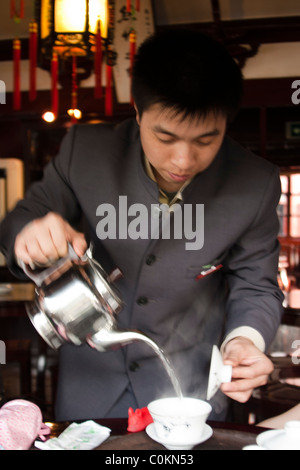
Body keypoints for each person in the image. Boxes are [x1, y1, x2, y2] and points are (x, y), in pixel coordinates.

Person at [0, 29, 284, 422]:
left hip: (190, 397)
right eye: (165, 136)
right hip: (90, 392)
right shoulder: (86, 152)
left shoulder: (256, 184)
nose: (183, 160)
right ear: (137, 110)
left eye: (206, 140)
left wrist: (244, 341)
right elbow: (23, 215)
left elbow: (257, 284)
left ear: (227, 123)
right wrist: (29, 234)